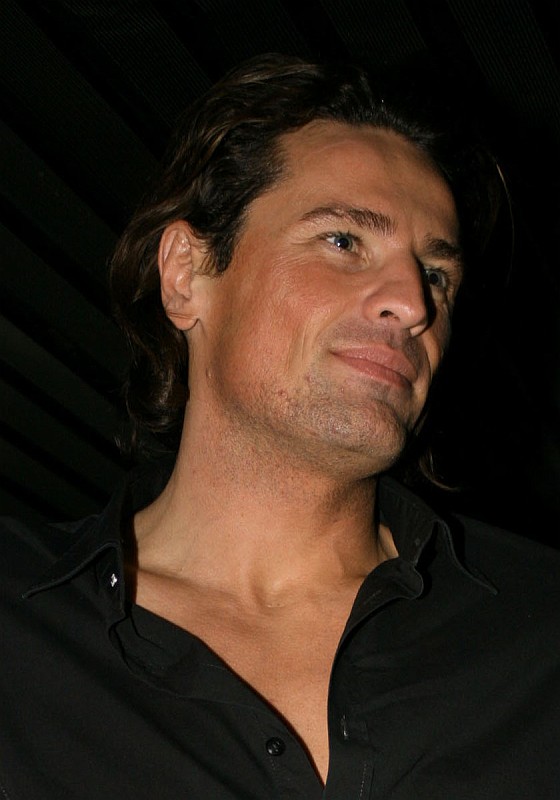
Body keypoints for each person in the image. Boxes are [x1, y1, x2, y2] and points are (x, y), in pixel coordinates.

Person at [1, 53, 559, 799]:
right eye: (344, 241)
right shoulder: (19, 627)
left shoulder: (542, 634)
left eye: (437, 275)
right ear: (186, 274)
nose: (413, 304)